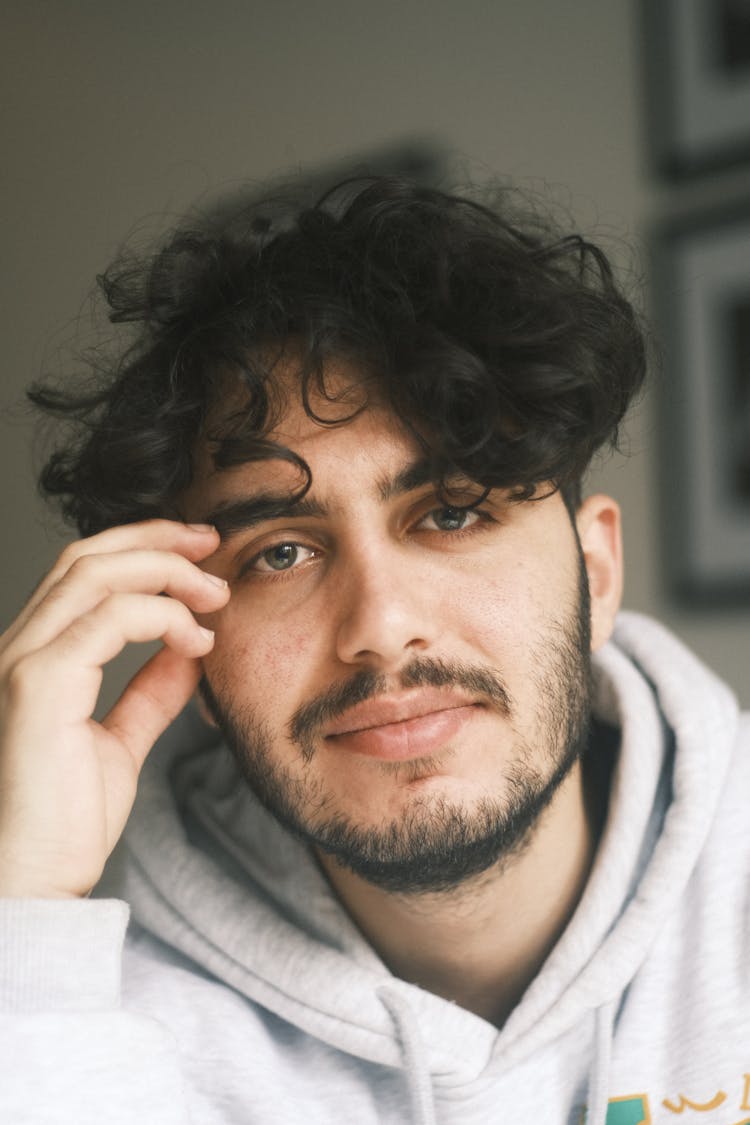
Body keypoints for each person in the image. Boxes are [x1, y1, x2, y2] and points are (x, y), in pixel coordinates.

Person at [0, 177, 747, 1125]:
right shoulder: (74, 1023)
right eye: (280, 551)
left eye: (451, 512)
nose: (382, 626)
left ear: (595, 572)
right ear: (190, 647)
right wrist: (23, 918)